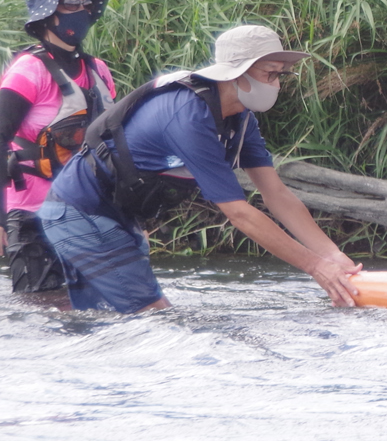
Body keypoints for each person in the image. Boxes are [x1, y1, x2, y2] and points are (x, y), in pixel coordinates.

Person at [38, 24, 362, 314]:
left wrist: (332, 257)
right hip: (79, 211)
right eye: (270, 74)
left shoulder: (241, 118)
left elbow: (276, 193)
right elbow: (240, 214)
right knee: (155, 317)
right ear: (237, 73)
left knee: (93, 316)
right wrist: (316, 268)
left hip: (118, 215)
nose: (277, 84)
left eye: (280, 75)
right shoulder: (188, 115)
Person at [0, 0, 117, 294]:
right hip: (32, 215)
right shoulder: (29, 69)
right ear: (48, 13)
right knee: (45, 310)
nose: (81, 10)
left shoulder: (99, 71)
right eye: (69, 3)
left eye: (85, 3)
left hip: (91, 213)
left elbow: (111, 145)